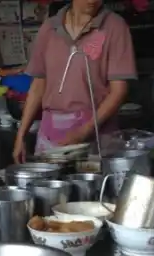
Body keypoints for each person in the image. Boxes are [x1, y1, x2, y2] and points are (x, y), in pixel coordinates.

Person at [13, 0, 137, 163]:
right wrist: (21, 135)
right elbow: (38, 85)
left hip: (97, 135)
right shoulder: (49, 29)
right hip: (51, 135)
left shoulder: (115, 27)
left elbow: (118, 91)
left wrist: (84, 131)